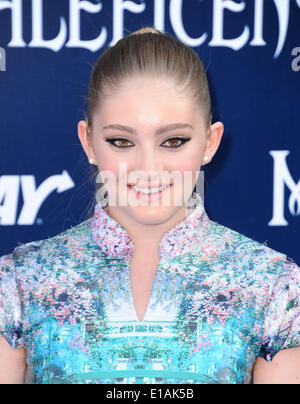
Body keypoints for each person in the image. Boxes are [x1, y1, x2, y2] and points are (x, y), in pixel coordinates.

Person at [0, 26, 299, 385]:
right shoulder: (20, 281)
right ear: (89, 141)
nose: (148, 168)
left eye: (173, 141)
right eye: (121, 141)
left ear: (210, 141)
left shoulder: (272, 285)